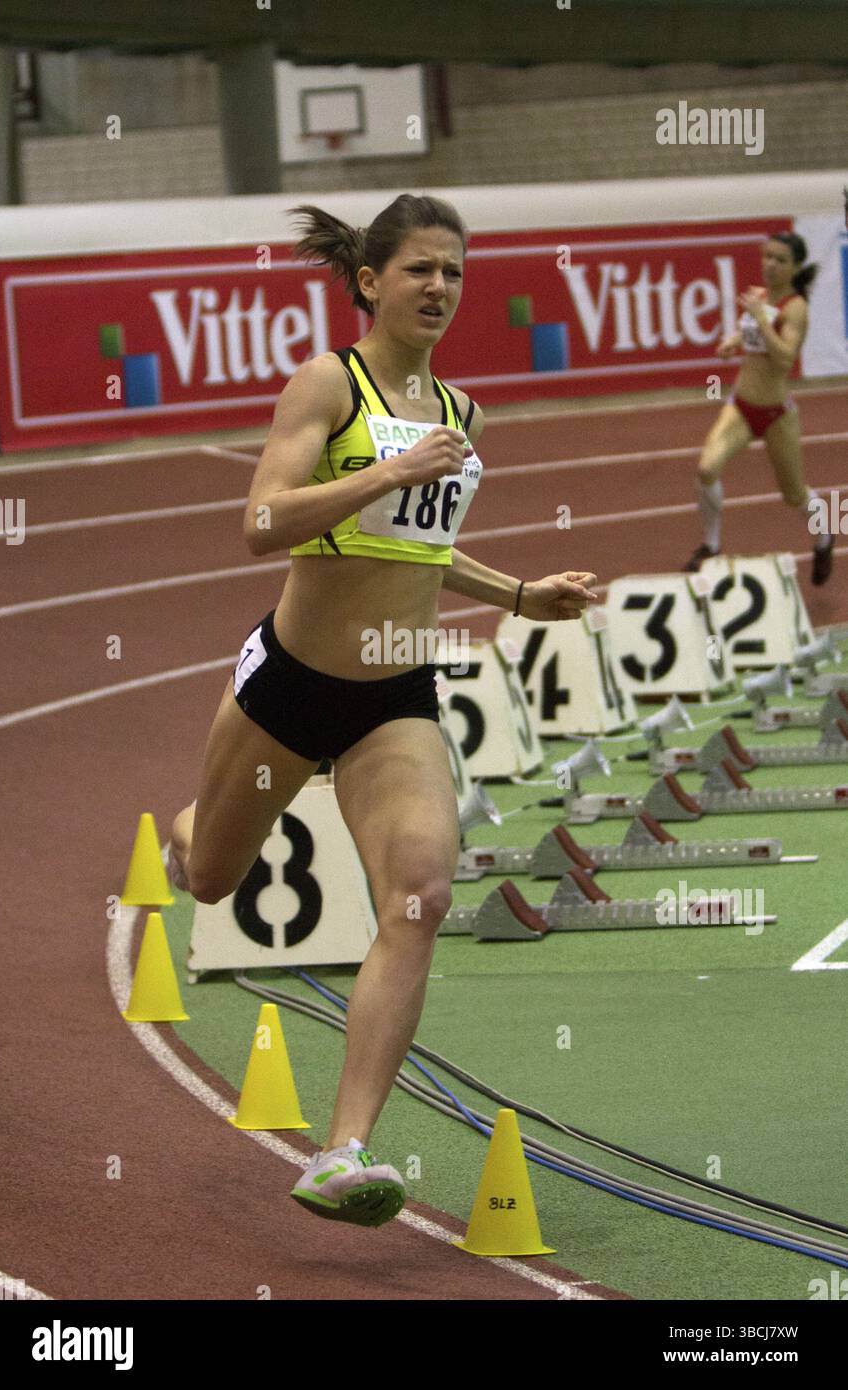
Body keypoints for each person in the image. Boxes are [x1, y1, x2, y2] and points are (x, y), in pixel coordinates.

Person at [168, 193, 598, 1227]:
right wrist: (386, 470)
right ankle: (185, 827)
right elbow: (260, 523)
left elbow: (417, 552)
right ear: (369, 280)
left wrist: (516, 595)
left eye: (452, 271)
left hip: (393, 697)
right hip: (290, 689)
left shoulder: (461, 413)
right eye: (418, 269)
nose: (438, 288)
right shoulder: (329, 381)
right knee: (215, 879)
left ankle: (342, 1149)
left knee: (421, 891)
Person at [683, 232, 834, 585]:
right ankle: (711, 545)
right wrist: (732, 342)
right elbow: (751, 336)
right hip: (742, 405)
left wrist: (762, 320)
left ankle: (825, 536)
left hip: (777, 414)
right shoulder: (760, 298)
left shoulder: (796, 308)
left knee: (794, 495)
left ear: (795, 267)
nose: (770, 265)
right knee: (707, 468)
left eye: (780, 260)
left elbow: (784, 359)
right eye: (767, 257)